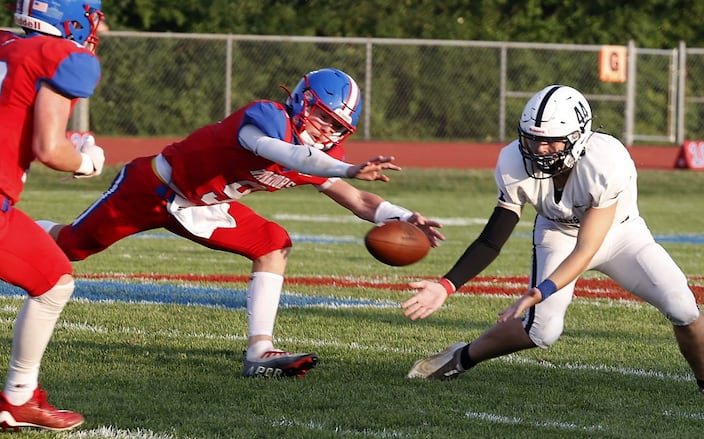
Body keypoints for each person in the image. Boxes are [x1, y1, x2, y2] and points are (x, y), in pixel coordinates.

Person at [39, 67, 445, 380]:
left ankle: (259, 351)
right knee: (71, 246)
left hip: (206, 207)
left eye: (338, 128)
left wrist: (405, 216)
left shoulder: (317, 154)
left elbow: (357, 199)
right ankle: (13, 228)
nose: (327, 131)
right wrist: (349, 166)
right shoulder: (266, 116)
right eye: (323, 118)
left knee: (273, 242)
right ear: (303, 101)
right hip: (153, 188)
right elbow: (283, 154)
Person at [401, 84, 704, 400]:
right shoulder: (513, 161)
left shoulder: (606, 161)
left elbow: (588, 248)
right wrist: (446, 286)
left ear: (577, 138)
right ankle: (460, 357)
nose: (539, 149)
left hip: (621, 236)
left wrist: (540, 290)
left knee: (681, 304)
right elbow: (493, 239)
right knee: (542, 332)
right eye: (533, 139)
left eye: (551, 141)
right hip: (557, 233)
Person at [0, 0, 107, 431]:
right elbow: (49, 148)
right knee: (53, 282)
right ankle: (18, 397)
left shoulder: (7, 44)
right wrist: (87, 162)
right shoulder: (66, 56)